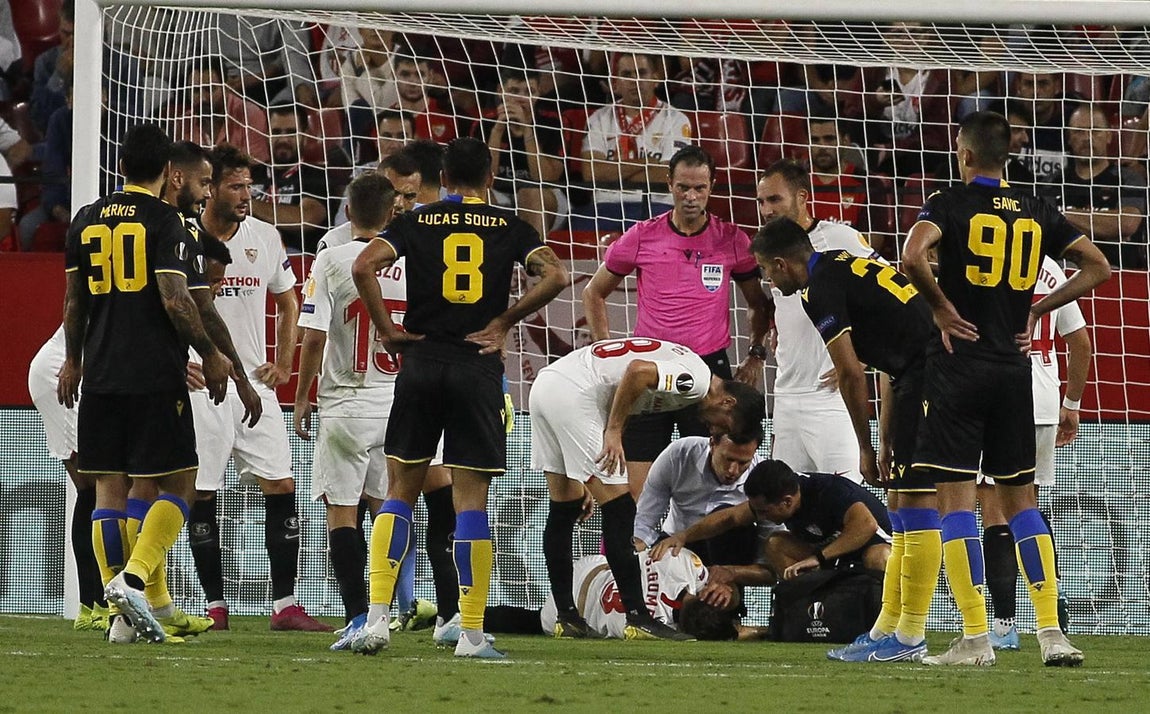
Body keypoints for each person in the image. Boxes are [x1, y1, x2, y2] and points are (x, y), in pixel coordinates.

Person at [902, 110, 1111, 667]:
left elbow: (912, 254)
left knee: (956, 504)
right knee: (1022, 503)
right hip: (1014, 373)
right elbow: (1098, 265)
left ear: (965, 153)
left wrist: (942, 308)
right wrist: (1040, 308)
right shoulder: (1039, 210)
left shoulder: (949, 202)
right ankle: (1052, 633)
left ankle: (975, 639)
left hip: (957, 368)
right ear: (1006, 156)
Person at [349, 136, 570, 658]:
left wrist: (386, 329)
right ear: (490, 178)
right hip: (476, 369)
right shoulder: (510, 227)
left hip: (421, 364)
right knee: (471, 501)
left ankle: (377, 619)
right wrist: (504, 320)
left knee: (399, 488)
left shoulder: (414, 221)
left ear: (443, 178)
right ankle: (470, 633)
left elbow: (363, 266)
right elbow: (557, 274)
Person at [57, 123, 232, 644]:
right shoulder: (167, 220)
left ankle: (120, 618)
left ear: (122, 164)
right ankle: (133, 581)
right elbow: (178, 299)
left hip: (102, 373)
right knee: (181, 482)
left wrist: (73, 362)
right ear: (168, 173)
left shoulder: (85, 220)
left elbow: (74, 303)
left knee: (109, 489)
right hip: (154, 372)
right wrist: (211, 355)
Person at [750, 216, 938, 663]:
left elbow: (852, 373)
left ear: (781, 264)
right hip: (921, 374)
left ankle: (925, 633)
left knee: (920, 506)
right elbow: (891, 366)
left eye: (766, 270)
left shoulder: (819, 290)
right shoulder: (841, 262)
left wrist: (866, 445)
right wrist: (886, 440)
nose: (767, 280)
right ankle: (890, 629)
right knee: (899, 505)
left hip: (936, 377)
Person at [294, 173, 456, 650]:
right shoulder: (415, 260)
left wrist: (303, 396)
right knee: (394, 511)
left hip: (346, 404)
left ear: (347, 212)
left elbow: (315, 335)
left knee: (341, 516)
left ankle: (357, 617)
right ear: (392, 214)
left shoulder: (330, 259)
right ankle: (417, 611)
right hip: (403, 403)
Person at [531, 337, 765, 640]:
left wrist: (591, 463)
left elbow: (628, 397)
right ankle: (638, 617)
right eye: (726, 426)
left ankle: (566, 616)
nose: (717, 431)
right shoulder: (694, 383)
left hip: (548, 386)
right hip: (576, 397)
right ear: (727, 402)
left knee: (564, 506)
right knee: (621, 508)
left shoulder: (689, 366)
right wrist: (612, 431)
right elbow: (637, 372)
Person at [186, 144, 329, 633]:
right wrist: (176, 364)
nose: (247, 195)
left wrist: (285, 362)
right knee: (201, 492)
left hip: (253, 382)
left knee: (283, 484)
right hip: (200, 382)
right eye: (236, 186)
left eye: (250, 186)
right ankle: (215, 606)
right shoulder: (181, 236)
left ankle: (285, 604)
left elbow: (289, 302)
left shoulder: (265, 238)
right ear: (210, 189)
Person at [582, 146, 772, 498]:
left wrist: (756, 354)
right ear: (669, 184)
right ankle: (636, 549)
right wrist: (607, 350)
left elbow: (760, 304)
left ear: (712, 187)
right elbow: (593, 293)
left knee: (707, 484)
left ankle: (698, 552)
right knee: (636, 485)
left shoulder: (732, 240)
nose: (691, 196)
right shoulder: (641, 235)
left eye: (699, 188)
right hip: (651, 371)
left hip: (708, 375)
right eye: (683, 187)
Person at [980, 255, 1091, 650]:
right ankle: (1052, 615)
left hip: (994, 394)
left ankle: (1004, 624)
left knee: (995, 513)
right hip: (1043, 398)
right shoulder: (1051, 269)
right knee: (1028, 510)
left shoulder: (983, 253)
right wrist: (1072, 403)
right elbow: (1081, 342)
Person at [756, 159, 879, 484]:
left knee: (851, 503)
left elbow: (893, 292)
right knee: (783, 513)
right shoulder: (769, 248)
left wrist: (864, 358)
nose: (766, 209)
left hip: (831, 400)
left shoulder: (842, 238)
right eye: (761, 201)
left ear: (802, 197)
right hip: (785, 398)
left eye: (774, 199)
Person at [653, 460, 891, 580]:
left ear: (786, 502)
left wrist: (817, 558)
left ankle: (887, 623)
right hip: (833, 556)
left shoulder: (831, 491)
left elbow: (866, 526)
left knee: (878, 558)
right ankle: (806, 606)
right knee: (775, 544)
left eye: (765, 512)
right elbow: (730, 518)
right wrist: (683, 536)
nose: (761, 517)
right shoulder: (781, 496)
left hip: (875, 547)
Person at [574, 52, 693, 231]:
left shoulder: (677, 120)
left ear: (656, 78)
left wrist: (612, 172)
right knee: (572, 224)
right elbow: (591, 173)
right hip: (605, 207)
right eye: (627, 74)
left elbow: (666, 176)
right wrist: (646, 163)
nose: (634, 80)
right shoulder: (598, 118)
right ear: (616, 83)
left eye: (642, 73)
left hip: (657, 207)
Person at [537, 548, 761, 640]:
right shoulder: (660, 630)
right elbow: (735, 632)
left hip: (587, 568)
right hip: (556, 613)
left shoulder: (681, 561)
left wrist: (729, 592)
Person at [632, 428, 765, 566]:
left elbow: (770, 539)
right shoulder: (679, 455)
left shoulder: (762, 477)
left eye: (743, 463)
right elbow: (645, 520)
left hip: (728, 558)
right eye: (728, 459)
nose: (733, 470)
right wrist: (623, 557)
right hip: (675, 545)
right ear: (712, 444)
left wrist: (736, 574)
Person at [477, 66, 568, 239]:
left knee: (530, 192)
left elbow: (547, 179)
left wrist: (527, 129)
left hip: (545, 197)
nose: (521, 99)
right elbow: (484, 178)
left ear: (538, 94)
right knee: (479, 195)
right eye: (514, 91)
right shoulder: (484, 124)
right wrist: (497, 131)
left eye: (529, 91)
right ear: (499, 92)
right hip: (498, 193)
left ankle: (533, 261)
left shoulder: (553, 123)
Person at [1057, 104, 1147, 269]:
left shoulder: (1129, 179)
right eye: (1079, 131)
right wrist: (1104, 227)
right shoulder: (1052, 182)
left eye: (1095, 130)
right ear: (1068, 138)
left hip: (1119, 277)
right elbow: (1042, 226)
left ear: (1109, 136)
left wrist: (1063, 216)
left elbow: (1126, 223)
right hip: (1061, 275)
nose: (1087, 137)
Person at [249, 104, 335, 252]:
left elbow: (306, 218)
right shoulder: (249, 174)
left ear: (305, 136)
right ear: (266, 134)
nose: (283, 139)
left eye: (291, 132)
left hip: (297, 257)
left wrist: (247, 204)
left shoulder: (317, 176)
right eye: (276, 132)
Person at [171, 56, 271, 163]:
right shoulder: (184, 123)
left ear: (226, 87)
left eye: (210, 89)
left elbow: (257, 165)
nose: (202, 98)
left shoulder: (250, 114)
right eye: (195, 91)